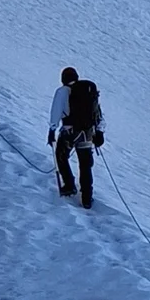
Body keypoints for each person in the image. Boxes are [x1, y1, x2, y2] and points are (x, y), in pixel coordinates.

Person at [53, 71, 104, 205]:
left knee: (61, 155)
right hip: (87, 133)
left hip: (70, 132)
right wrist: (99, 132)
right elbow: (98, 114)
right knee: (85, 165)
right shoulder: (88, 91)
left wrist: (52, 130)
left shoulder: (63, 91)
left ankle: (69, 185)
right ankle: (87, 198)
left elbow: (56, 112)